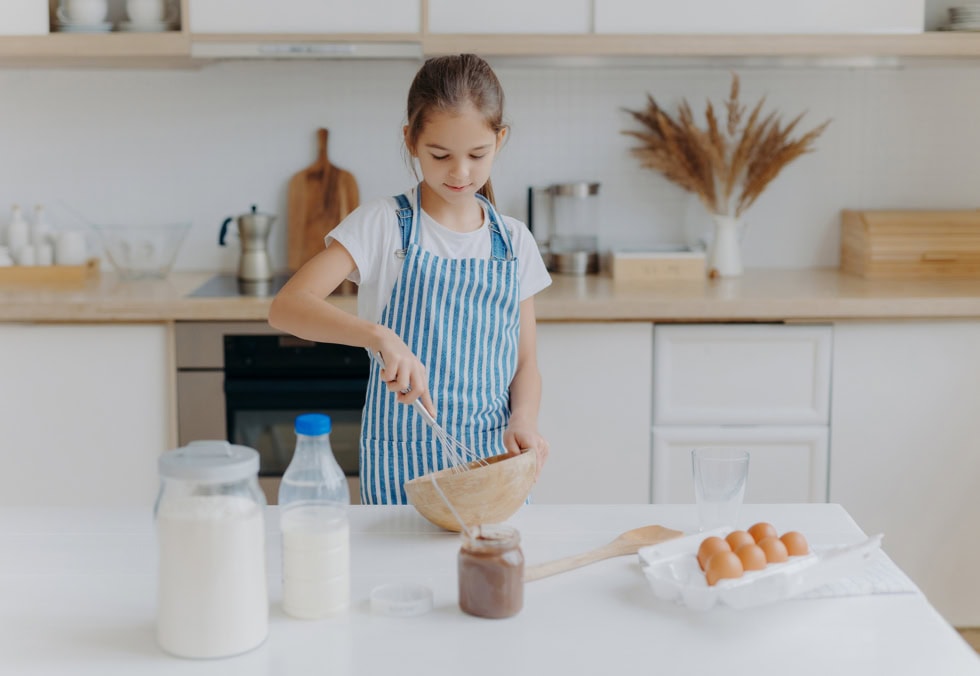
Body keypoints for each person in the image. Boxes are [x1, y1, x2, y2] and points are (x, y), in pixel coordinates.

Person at [268, 53, 552, 505]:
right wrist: (379, 336)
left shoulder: (515, 241)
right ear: (411, 141)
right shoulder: (382, 224)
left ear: (500, 140)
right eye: (440, 155)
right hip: (403, 464)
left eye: (477, 155)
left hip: (491, 461)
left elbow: (525, 363)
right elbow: (286, 307)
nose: (460, 173)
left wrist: (525, 419)